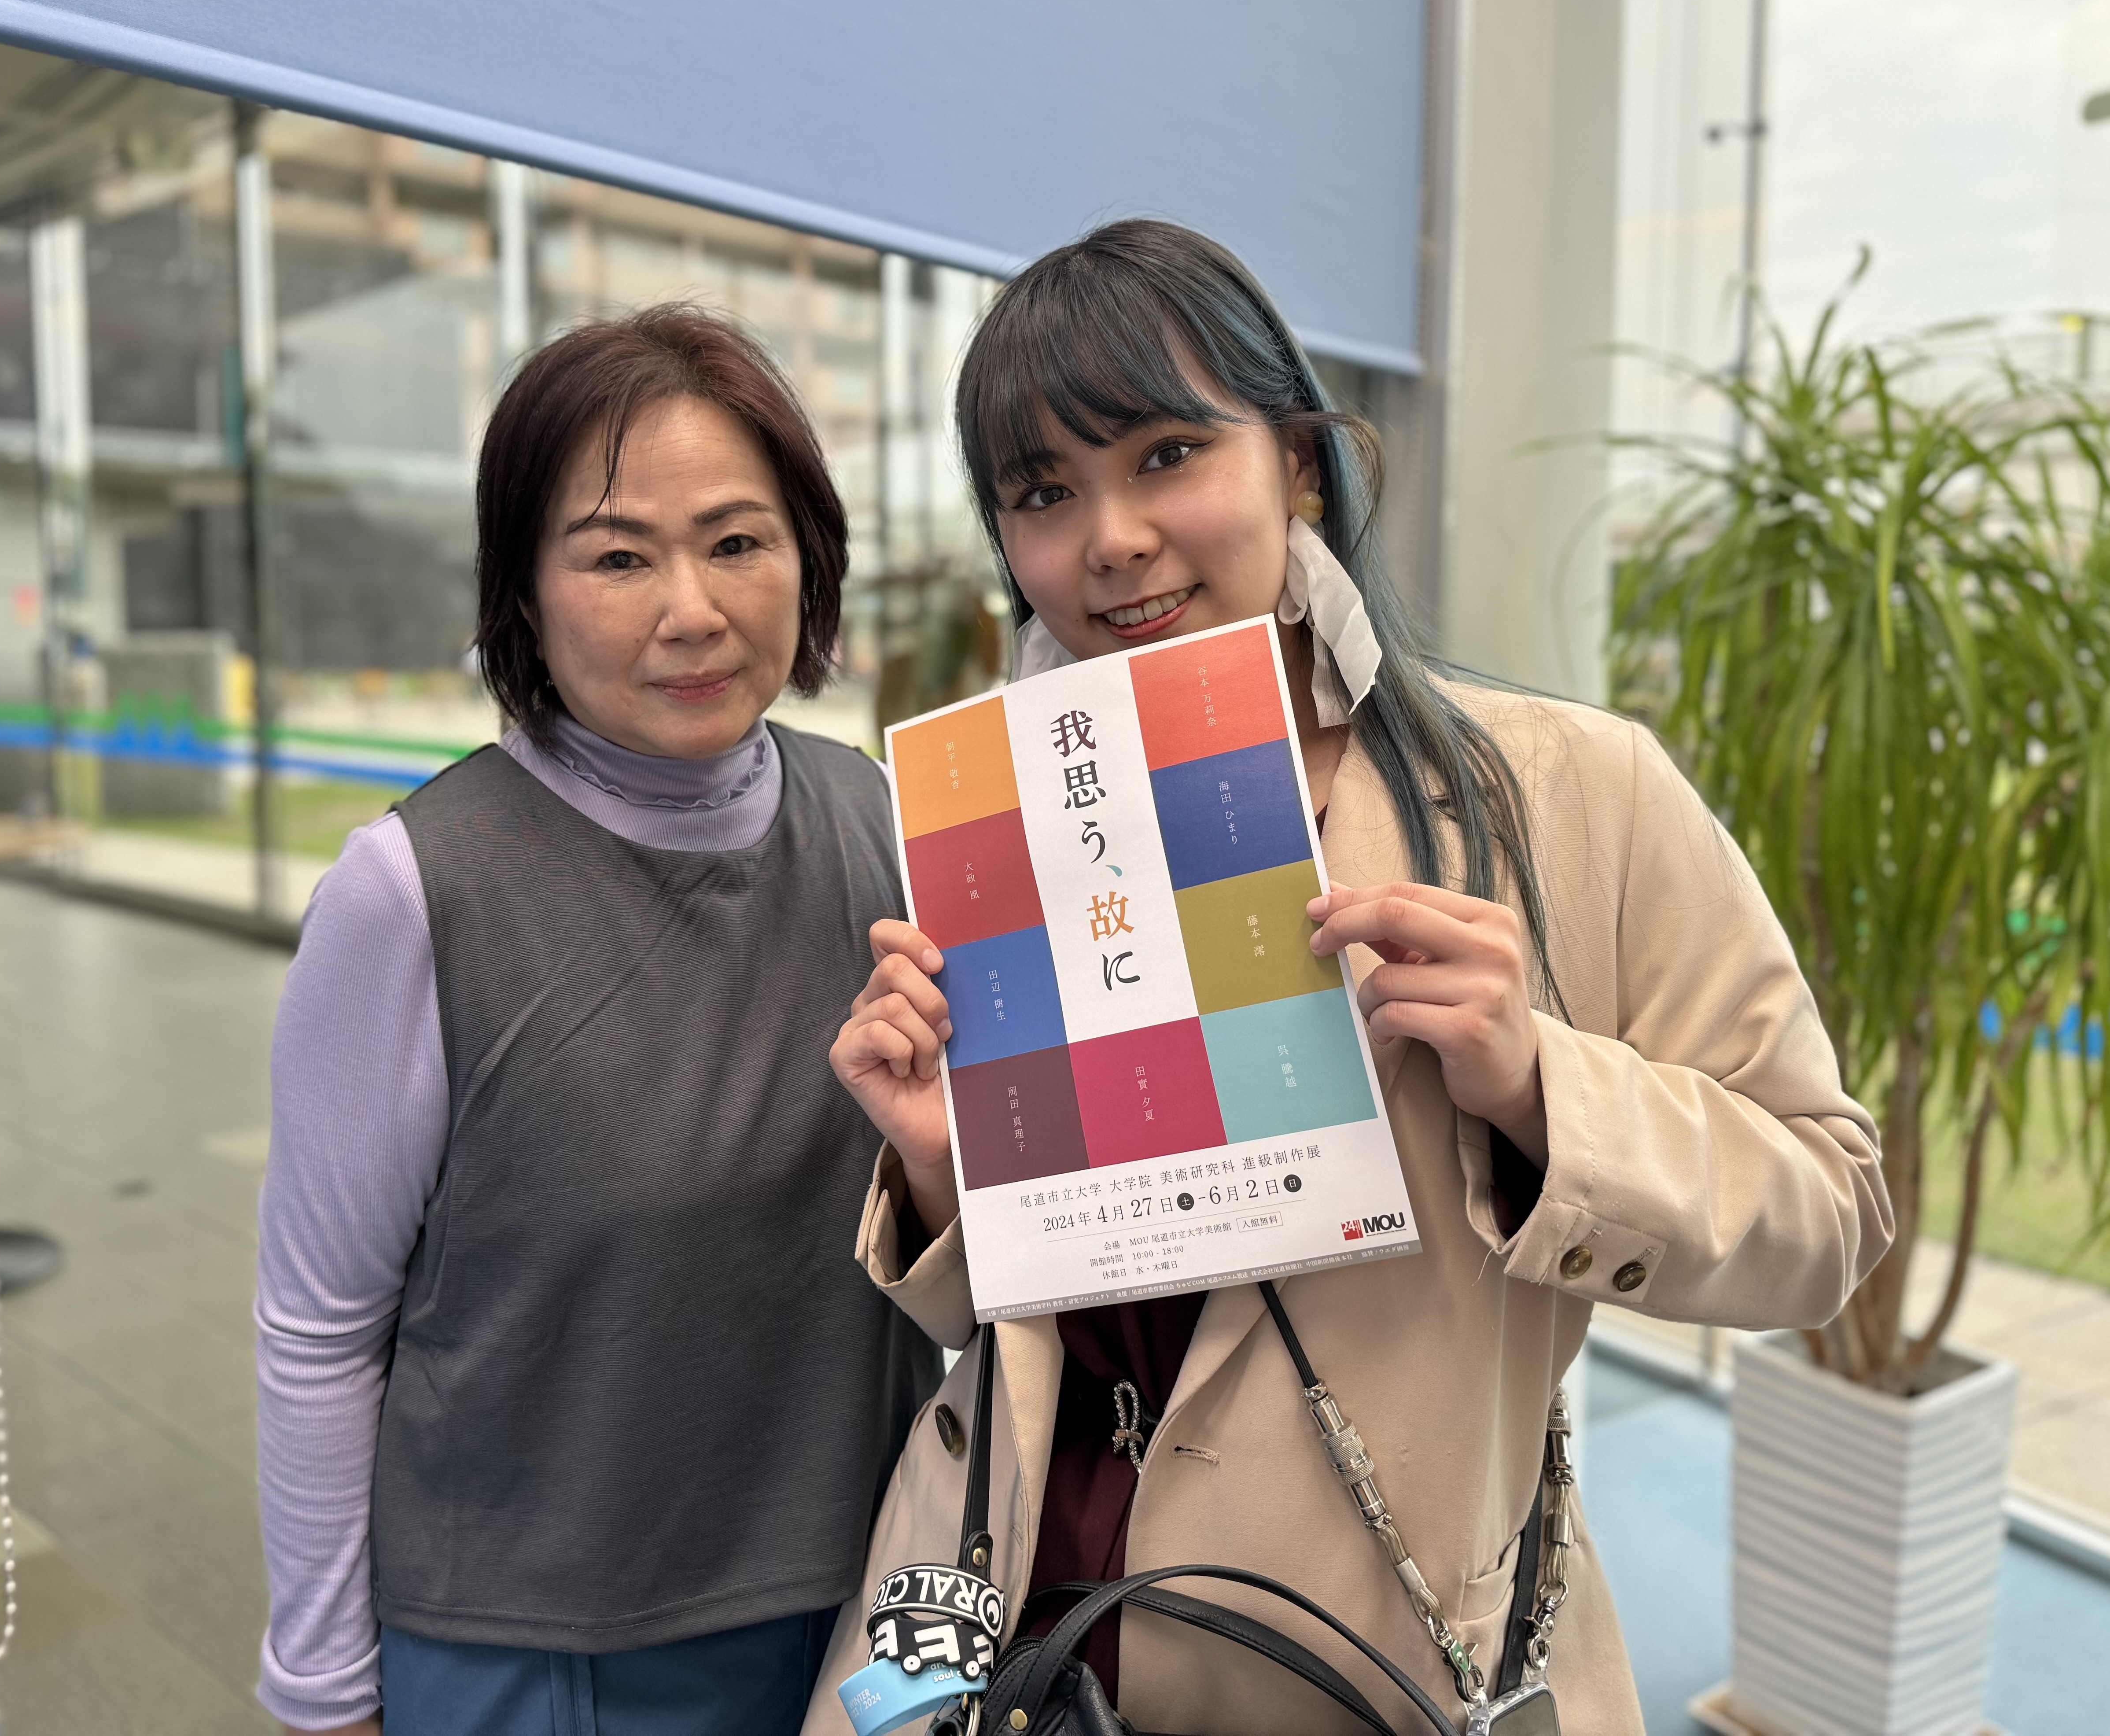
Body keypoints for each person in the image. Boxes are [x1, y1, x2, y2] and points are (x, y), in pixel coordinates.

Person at [808, 221, 1893, 1734]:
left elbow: (1831, 1211)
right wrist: (944, 1170)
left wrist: (1541, 1089)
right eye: (1044, 492)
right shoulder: (1011, 828)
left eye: (1168, 453)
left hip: (1372, 1660)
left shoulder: (1573, 797)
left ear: (1301, 464)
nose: (1111, 537)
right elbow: (1046, 1315)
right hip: (1012, 1645)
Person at [257, 306, 940, 1736]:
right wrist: (324, 1697)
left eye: (738, 541)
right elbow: (319, 1332)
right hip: (544, 1651)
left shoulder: (883, 821)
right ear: (524, 590)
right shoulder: (416, 890)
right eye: (619, 556)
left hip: (879, 1605)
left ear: (809, 556)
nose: (691, 609)